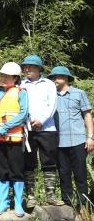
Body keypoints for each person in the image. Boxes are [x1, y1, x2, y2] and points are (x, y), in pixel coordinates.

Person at [0, 62, 28, 217]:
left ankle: (18, 204)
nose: (3, 78)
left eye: (7, 76)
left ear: (15, 78)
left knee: (17, 171)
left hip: (13, 139)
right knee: (1, 171)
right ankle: (3, 203)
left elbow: (23, 114)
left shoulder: (21, 92)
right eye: (2, 75)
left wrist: (4, 128)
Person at [20, 55, 64, 207]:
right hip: (27, 128)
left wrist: (41, 120)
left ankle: (50, 195)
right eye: (25, 67)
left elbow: (52, 104)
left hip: (47, 128)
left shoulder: (48, 84)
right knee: (28, 161)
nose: (27, 69)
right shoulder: (21, 84)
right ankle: (30, 196)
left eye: (30, 67)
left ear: (39, 69)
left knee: (49, 161)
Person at [47, 65, 93, 208]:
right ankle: (68, 205)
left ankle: (84, 205)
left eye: (57, 76)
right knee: (64, 174)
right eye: (53, 77)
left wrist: (91, 137)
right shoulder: (50, 95)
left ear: (66, 78)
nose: (54, 79)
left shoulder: (79, 93)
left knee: (80, 174)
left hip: (78, 140)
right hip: (59, 141)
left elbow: (87, 115)